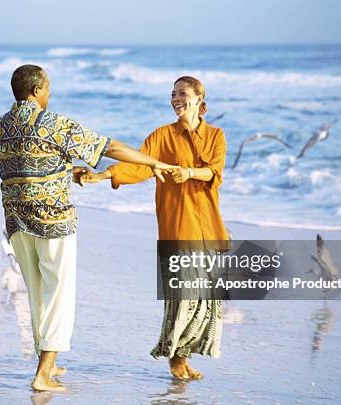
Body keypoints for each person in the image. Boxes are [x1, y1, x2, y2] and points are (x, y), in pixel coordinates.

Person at [0, 64, 176, 392]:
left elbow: (22, 164)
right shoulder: (53, 123)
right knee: (59, 291)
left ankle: (47, 360)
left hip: (16, 219)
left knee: (36, 292)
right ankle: (43, 373)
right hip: (53, 218)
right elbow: (109, 148)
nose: (49, 95)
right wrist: (152, 162)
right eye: (47, 89)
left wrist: (64, 172)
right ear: (36, 91)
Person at [79, 76, 228, 380]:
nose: (175, 98)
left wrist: (188, 172)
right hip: (177, 223)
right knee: (182, 296)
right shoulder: (161, 136)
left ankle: (184, 357)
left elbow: (213, 171)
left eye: (182, 94)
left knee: (205, 299)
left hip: (209, 225)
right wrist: (105, 174)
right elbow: (139, 165)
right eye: (172, 94)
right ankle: (174, 359)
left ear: (200, 100)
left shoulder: (216, 135)